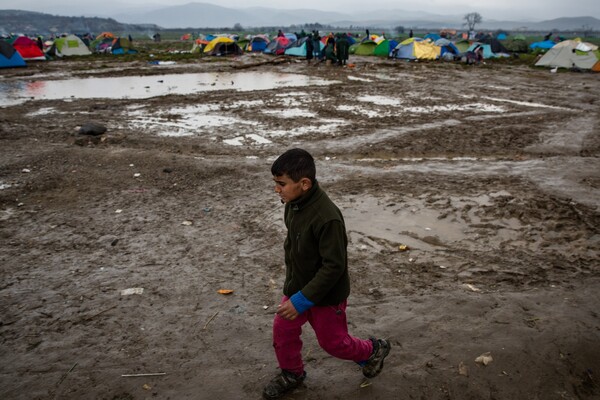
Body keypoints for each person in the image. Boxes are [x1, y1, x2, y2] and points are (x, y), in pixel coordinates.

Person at [263, 149, 391, 400]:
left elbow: (334, 267)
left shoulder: (327, 217)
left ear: (304, 183)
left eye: (281, 184)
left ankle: (372, 350)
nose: (277, 190)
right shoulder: (293, 204)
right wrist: (294, 291)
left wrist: (302, 300)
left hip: (326, 296)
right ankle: (292, 373)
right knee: (283, 329)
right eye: (275, 184)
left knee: (334, 344)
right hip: (298, 287)